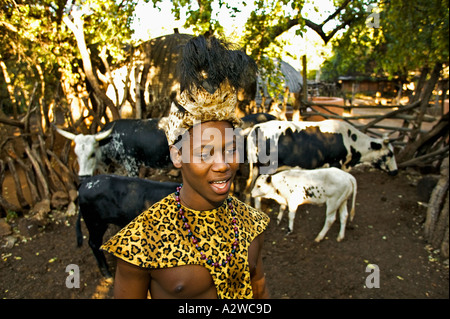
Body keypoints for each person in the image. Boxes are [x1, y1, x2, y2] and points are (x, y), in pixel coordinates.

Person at [101, 35, 270, 299]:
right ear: (177, 156)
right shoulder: (142, 241)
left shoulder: (251, 224)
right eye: (205, 153)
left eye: (230, 149)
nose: (223, 165)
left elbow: (259, 291)